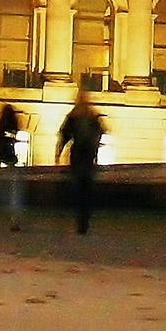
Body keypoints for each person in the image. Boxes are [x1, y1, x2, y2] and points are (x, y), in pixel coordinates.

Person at [54, 90, 106, 235]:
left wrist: (58, 154)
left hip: (77, 156)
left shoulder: (74, 115)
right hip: (88, 156)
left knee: (77, 189)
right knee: (86, 190)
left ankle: (79, 222)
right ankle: (84, 221)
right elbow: (100, 132)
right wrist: (96, 151)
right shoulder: (92, 115)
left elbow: (64, 135)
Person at [0, 103, 24, 231]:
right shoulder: (10, 129)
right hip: (9, 159)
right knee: (13, 193)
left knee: (3, 191)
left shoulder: (2, 127)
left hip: (4, 159)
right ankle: (13, 220)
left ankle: (7, 219)